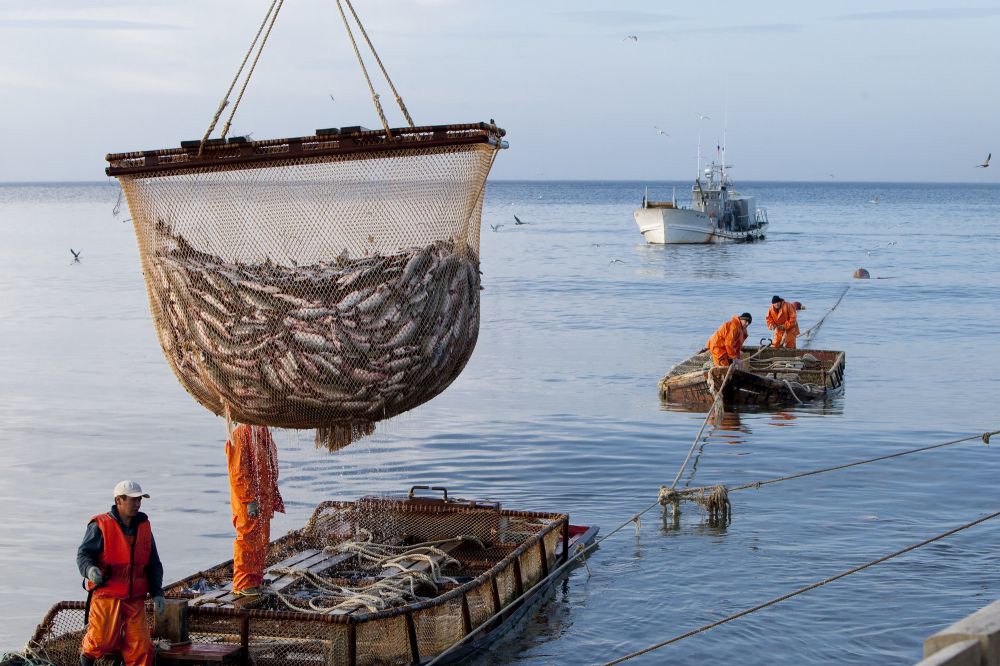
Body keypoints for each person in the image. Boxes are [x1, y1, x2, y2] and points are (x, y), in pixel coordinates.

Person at [77, 480, 164, 666]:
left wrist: (157, 592)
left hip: (135, 598)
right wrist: (90, 570)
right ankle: (86, 658)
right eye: (133, 500)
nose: (137, 504)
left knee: (141, 648)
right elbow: (84, 555)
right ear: (118, 500)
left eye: (139, 499)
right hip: (107, 595)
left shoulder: (144, 527)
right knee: (101, 640)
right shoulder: (99, 525)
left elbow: (153, 563)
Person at [227, 423, 285, 596]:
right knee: (247, 539)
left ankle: (255, 578)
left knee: (261, 540)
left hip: (263, 499)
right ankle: (243, 582)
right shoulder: (240, 434)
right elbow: (238, 472)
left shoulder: (261, 430)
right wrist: (249, 499)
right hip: (249, 503)